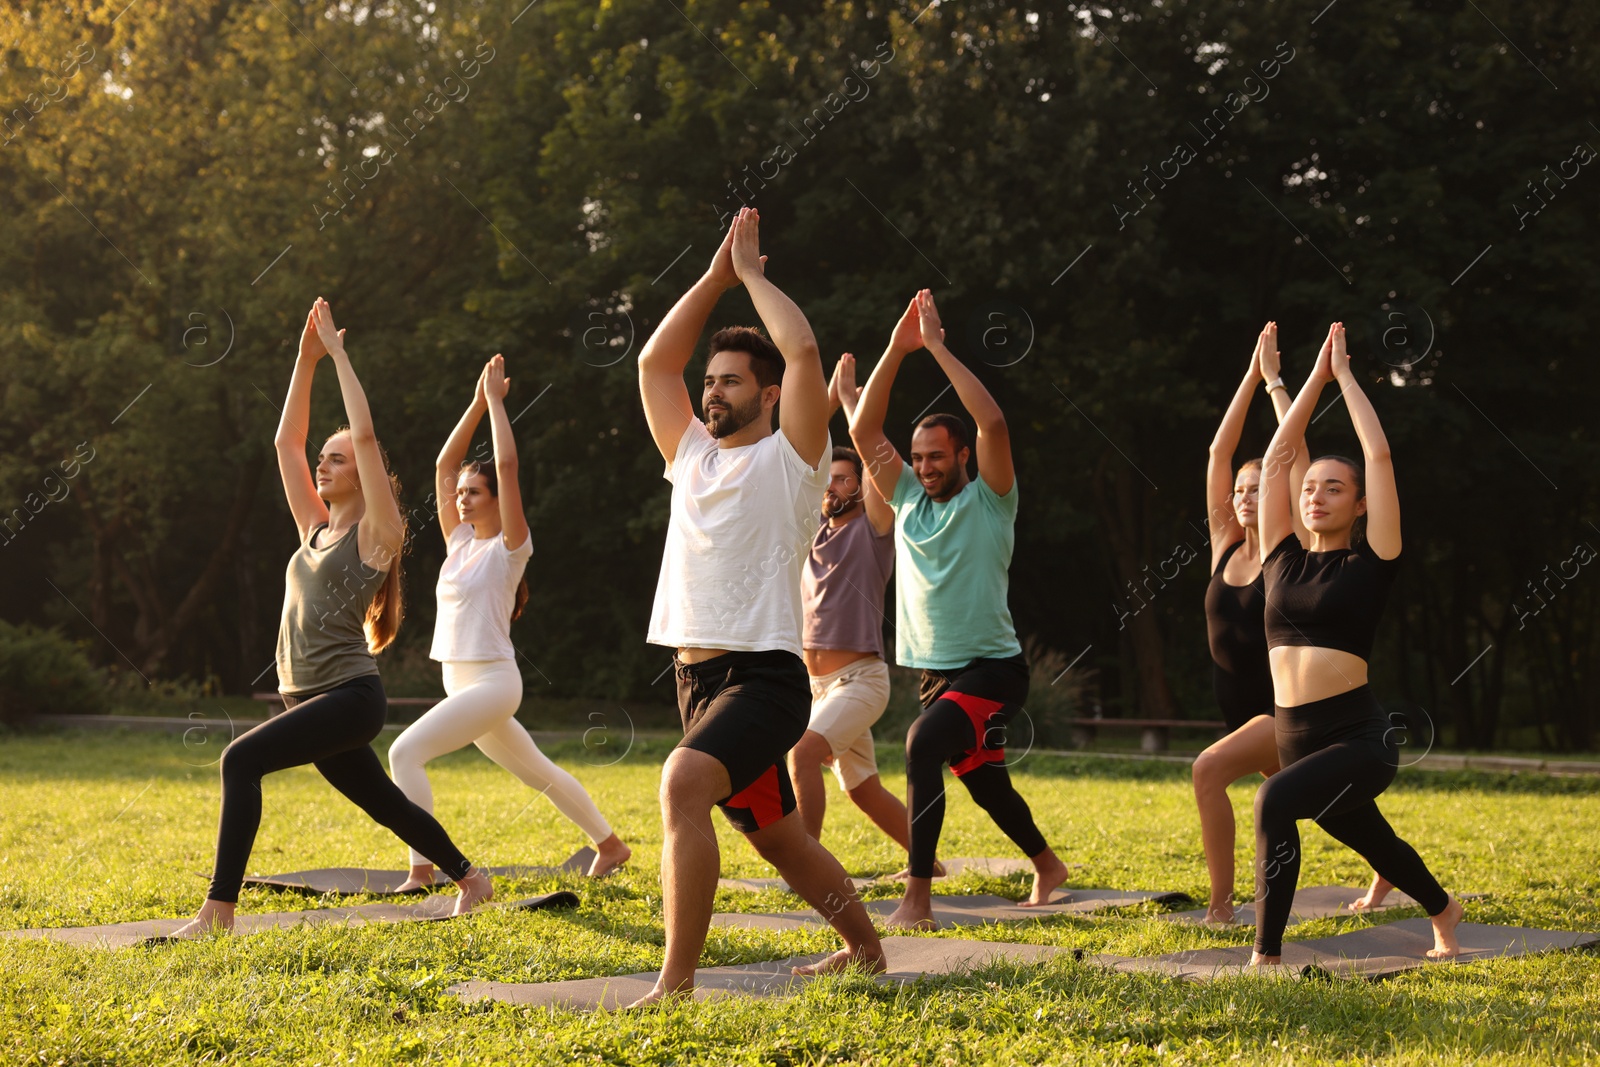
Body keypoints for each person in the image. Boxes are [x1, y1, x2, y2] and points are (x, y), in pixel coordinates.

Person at [169, 298, 492, 937]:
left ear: (366, 477)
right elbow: (285, 442)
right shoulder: (313, 527)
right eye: (326, 457)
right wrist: (304, 359)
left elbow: (366, 437)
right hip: (304, 698)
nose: (324, 462)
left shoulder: (377, 535)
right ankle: (470, 878)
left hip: (348, 696)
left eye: (336, 459)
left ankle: (218, 912)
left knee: (239, 761)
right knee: (382, 802)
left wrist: (341, 356)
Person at [630, 207, 886, 1005]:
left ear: (769, 394)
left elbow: (804, 349)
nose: (711, 390)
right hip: (693, 677)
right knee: (777, 835)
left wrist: (753, 277)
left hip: (765, 678)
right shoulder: (692, 456)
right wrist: (711, 279)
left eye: (730, 380)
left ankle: (676, 983)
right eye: (709, 381)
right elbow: (651, 364)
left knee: (680, 784)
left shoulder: (794, 461)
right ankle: (867, 949)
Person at [849, 289, 1068, 931]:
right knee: (984, 778)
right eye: (917, 459)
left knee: (921, 747)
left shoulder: (992, 501)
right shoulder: (909, 499)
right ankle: (1047, 864)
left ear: (962, 455)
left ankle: (918, 899)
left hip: (992, 668)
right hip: (936, 674)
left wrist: (938, 348)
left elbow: (995, 423)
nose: (925, 467)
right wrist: (897, 348)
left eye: (936, 456)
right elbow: (863, 431)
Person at [1251, 321, 1462, 964]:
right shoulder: (1279, 557)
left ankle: (1266, 955)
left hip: (1358, 740)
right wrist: (1297, 383)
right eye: (1311, 489)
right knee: (1375, 842)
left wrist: (1343, 378)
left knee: (1272, 800)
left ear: (1361, 504)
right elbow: (1281, 462)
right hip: (1297, 738)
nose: (1316, 496)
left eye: (1334, 488)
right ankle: (1444, 909)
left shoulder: (1373, 560)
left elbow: (1380, 457)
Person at [386, 354, 630, 891]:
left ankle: (422, 868)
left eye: (473, 492)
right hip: (462, 682)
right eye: (460, 495)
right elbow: (443, 467)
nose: (460, 498)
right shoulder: (459, 542)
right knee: (535, 771)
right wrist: (476, 402)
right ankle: (610, 846)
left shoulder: (509, 547)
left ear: (495, 499)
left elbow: (509, 466)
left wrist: (498, 406)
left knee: (404, 752)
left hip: (494, 683)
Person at [787, 352, 926, 865]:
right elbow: (798, 456)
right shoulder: (810, 531)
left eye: (844, 479)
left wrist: (849, 401)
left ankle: (805, 865)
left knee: (801, 753)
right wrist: (821, 401)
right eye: (830, 479)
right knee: (863, 789)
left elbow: (876, 460)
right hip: (817, 688)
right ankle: (925, 860)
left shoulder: (874, 530)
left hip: (860, 682)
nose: (833, 486)